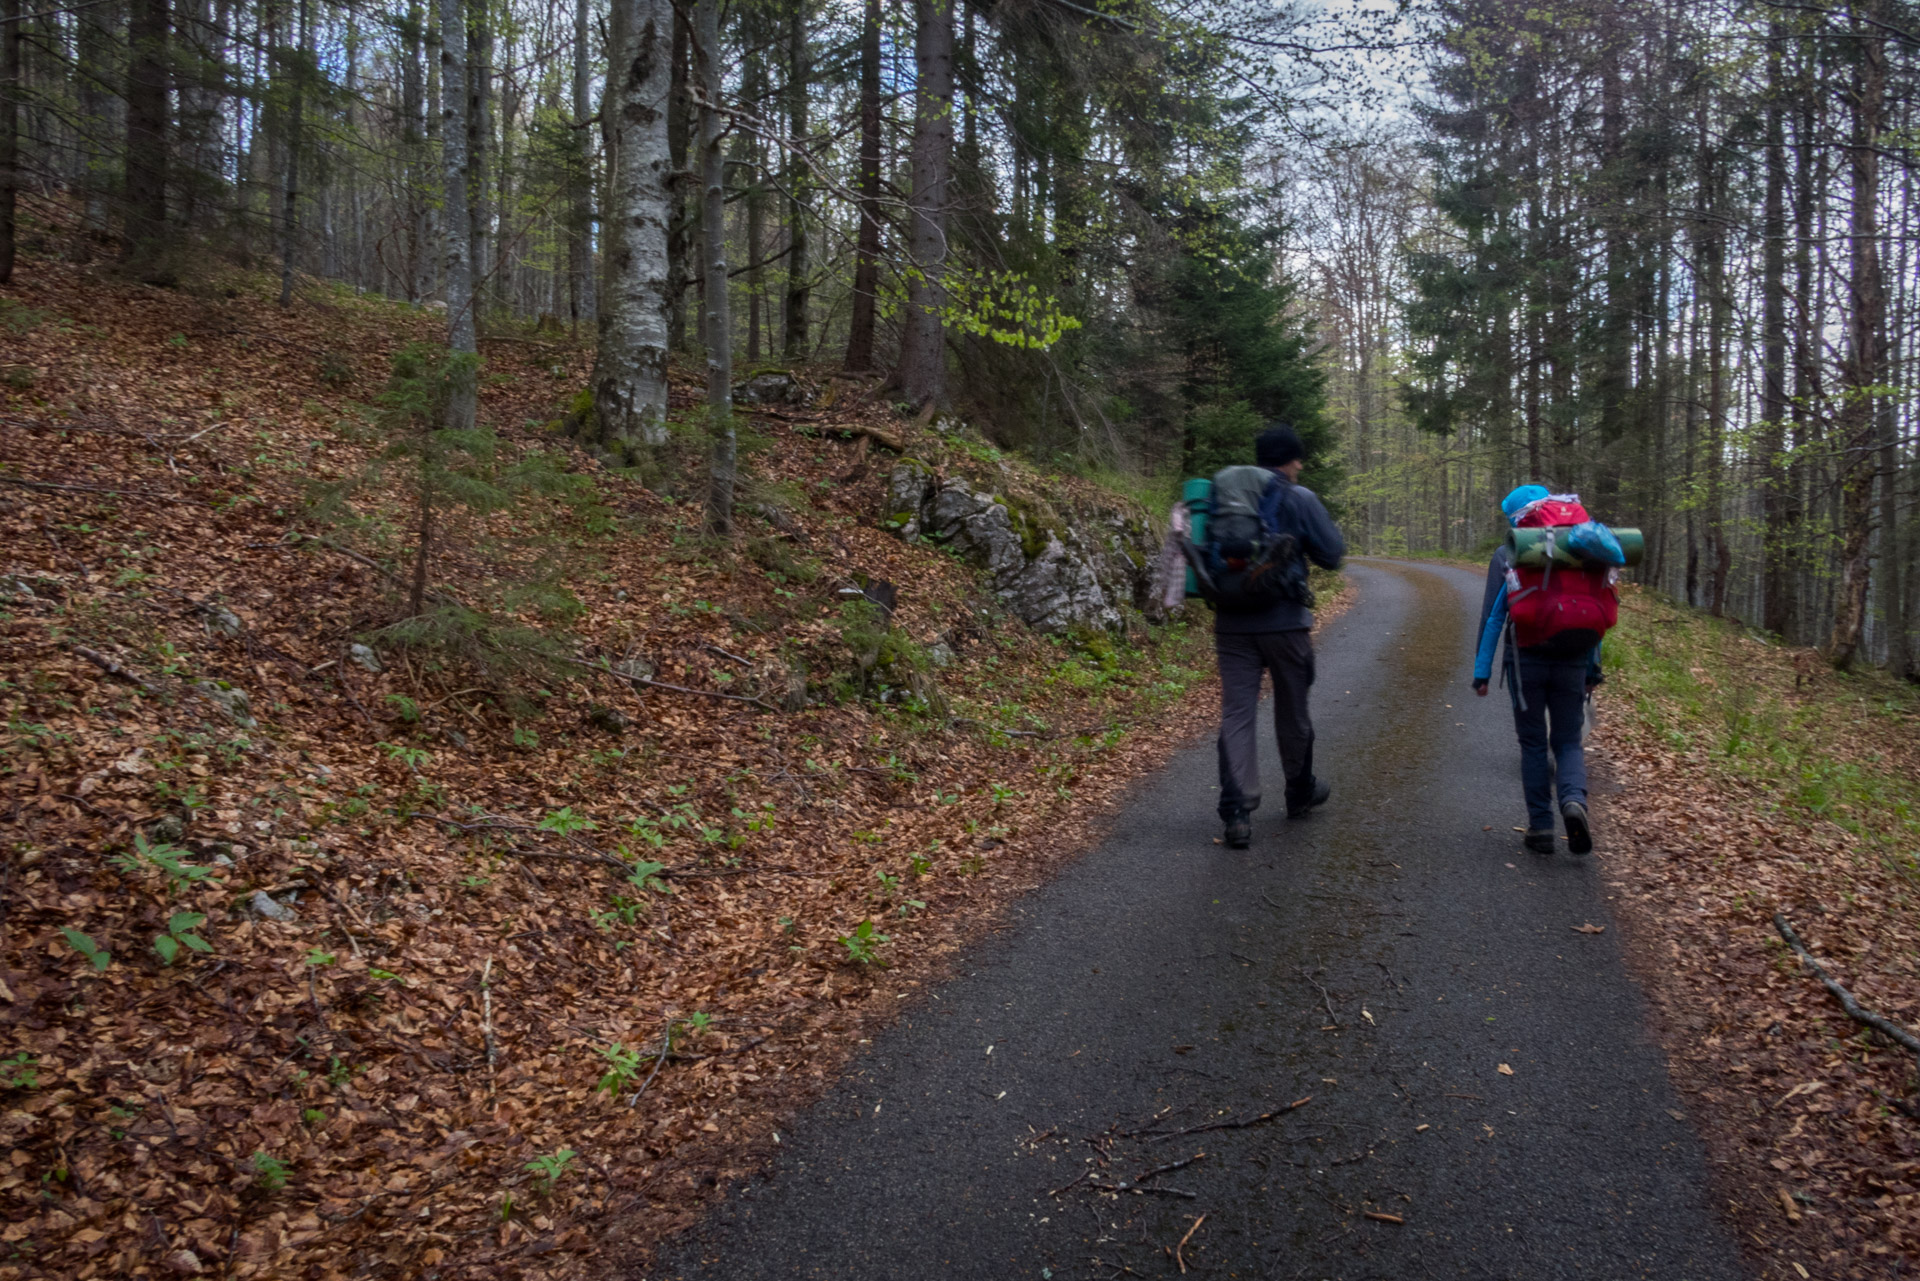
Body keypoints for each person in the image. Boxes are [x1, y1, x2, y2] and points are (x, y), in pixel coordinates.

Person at [1215, 423, 1346, 849]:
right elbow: (1332, 555)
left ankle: (1236, 812)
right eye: (1298, 457)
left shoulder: (1229, 496)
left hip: (1232, 624)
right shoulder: (1298, 496)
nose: (1301, 464)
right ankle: (1298, 791)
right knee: (1293, 709)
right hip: (1287, 624)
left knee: (1237, 712)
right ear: (1289, 460)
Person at [1472, 484, 1604, 855]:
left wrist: (1481, 672)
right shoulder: (1582, 549)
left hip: (1526, 659)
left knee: (1532, 744)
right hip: (1574, 660)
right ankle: (1573, 800)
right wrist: (1594, 666)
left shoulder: (1510, 551)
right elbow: (1591, 611)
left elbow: (1494, 616)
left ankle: (1541, 828)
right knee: (1567, 740)